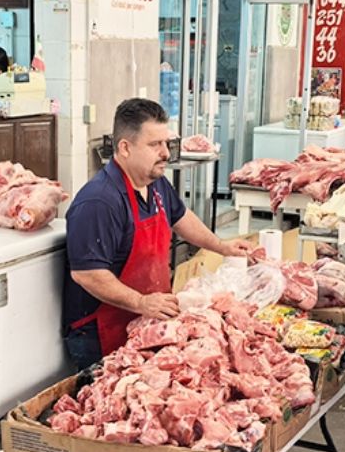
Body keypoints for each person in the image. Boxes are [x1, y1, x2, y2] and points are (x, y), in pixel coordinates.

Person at [63, 98, 252, 371]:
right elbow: (87, 274)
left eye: (166, 143)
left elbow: (181, 218)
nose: (166, 153)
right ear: (125, 148)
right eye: (155, 145)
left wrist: (222, 247)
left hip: (145, 320)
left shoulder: (156, 183)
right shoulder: (99, 202)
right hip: (101, 332)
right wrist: (141, 302)